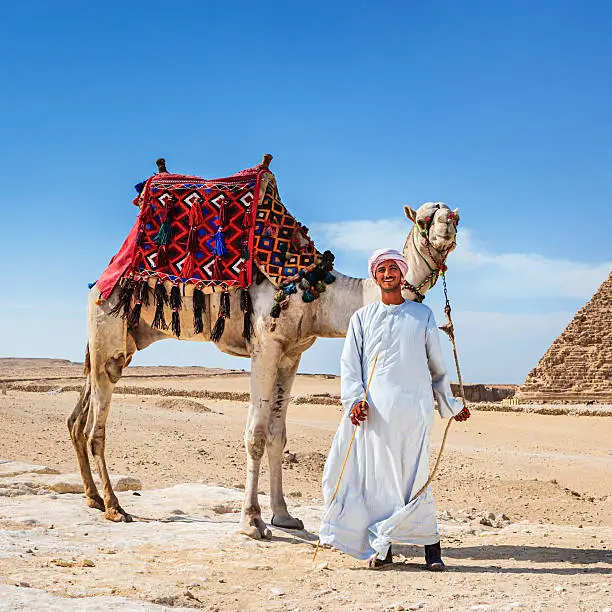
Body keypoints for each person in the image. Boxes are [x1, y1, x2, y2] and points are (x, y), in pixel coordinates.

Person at [318, 248, 470, 570]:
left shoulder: (422, 315)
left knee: (416, 481)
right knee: (381, 485)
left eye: (393, 268)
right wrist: (355, 402)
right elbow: (350, 368)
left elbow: (437, 367)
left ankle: (432, 551)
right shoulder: (361, 319)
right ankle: (382, 548)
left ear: (402, 274)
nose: (388, 274)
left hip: (414, 412)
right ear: (375, 275)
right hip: (376, 415)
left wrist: (451, 404)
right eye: (382, 269)